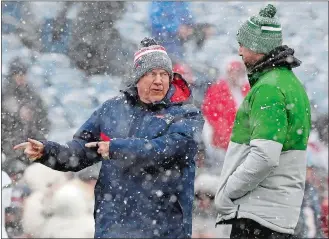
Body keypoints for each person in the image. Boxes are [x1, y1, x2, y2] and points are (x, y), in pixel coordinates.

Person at [14, 37, 204, 238]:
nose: (158, 80)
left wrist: (116, 148)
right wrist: (48, 150)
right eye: (151, 73)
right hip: (114, 225)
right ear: (138, 77)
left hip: (164, 227)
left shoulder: (186, 114)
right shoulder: (112, 109)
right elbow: (81, 150)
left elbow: (168, 149)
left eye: (164, 74)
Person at [214, 4, 311, 239]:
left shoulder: (268, 88)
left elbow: (264, 156)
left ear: (258, 47)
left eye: (243, 44)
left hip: (258, 216)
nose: (239, 51)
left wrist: (227, 194)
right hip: (277, 214)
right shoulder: (290, 83)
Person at [2, 58, 50, 174]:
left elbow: (44, 122)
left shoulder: (33, 96)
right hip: (9, 148)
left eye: (23, 74)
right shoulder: (4, 95)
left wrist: (33, 121)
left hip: (30, 146)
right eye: (17, 74)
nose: (21, 77)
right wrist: (17, 115)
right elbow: (4, 124)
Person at [201, 60, 249, 173]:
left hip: (244, 141)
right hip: (224, 143)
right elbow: (213, 116)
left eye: (240, 72)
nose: (237, 75)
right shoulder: (218, 90)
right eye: (234, 72)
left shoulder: (246, 89)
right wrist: (227, 136)